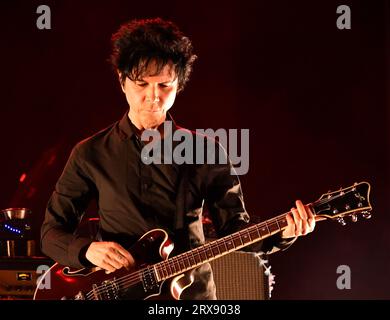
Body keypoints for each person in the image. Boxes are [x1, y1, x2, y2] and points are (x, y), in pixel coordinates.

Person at [40, 17, 316, 300]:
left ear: (179, 85)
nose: (153, 97)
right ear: (122, 81)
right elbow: (51, 233)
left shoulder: (207, 151)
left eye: (164, 86)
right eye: (141, 84)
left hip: (190, 295)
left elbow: (235, 230)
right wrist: (87, 251)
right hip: (118, 292)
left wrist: (285, 232)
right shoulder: (90, 152)